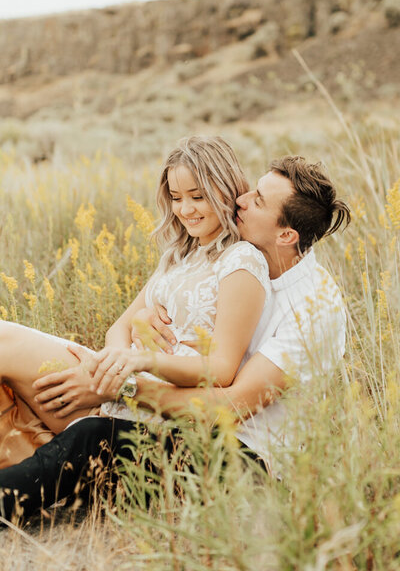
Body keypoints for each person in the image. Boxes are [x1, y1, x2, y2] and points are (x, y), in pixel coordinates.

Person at [0, 155, 351, 524]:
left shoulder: (315, 311)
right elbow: (149, 316)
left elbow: (228, 408)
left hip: (234, 457)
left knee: (93, 438)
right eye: (252, 190)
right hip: (159, 401)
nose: (242, 199)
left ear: (286, 235)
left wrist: (120, 388)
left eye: (259, 200)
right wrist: (141, 323)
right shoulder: (228, 251)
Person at [0, 135, 270, 469]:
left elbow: (222, 369)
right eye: (176, 197)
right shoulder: (181, 254)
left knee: (4, 343)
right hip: (116, 381)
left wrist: (129, 373)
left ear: (226, 189)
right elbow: (119, 328)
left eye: (197, 197)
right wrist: (112, 364)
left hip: (151, 404)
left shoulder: (240, 259)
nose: (185, 209)